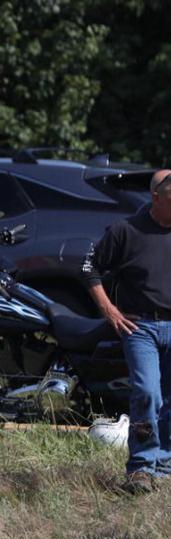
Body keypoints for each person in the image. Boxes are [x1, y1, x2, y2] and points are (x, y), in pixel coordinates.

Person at [83, 168, 171, 494]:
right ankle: (141, 467)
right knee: (147, 392)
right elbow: (89, 268)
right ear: (156, 197)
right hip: (141, 326)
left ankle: (165, 463)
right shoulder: (126, 230)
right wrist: (109, 310)